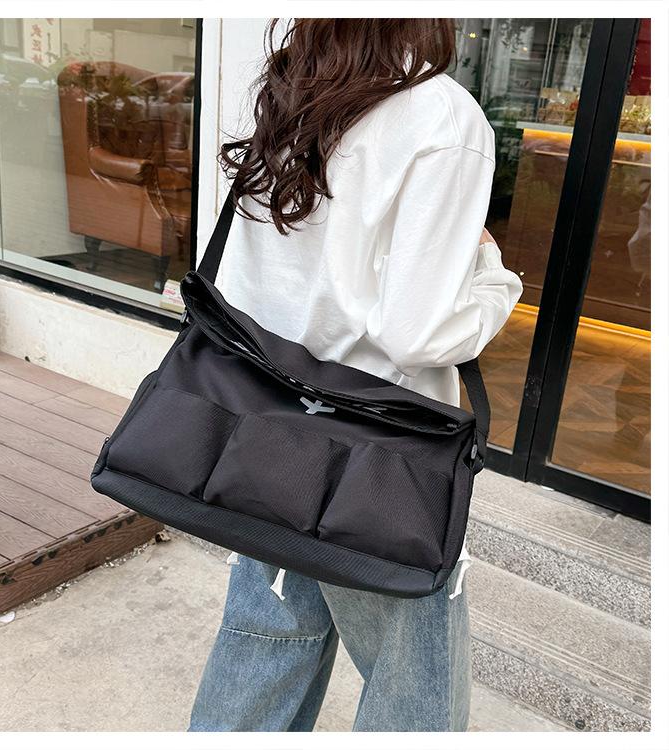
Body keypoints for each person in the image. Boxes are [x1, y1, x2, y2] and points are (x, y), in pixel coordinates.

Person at [188, 19, 522, 732]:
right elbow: (418, 332)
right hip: (381, 458)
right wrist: (496, 280)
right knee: (413, 685)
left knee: (264, 644)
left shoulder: (294, 92)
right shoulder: (442, 117)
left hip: (265, 425)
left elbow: (249, 282)